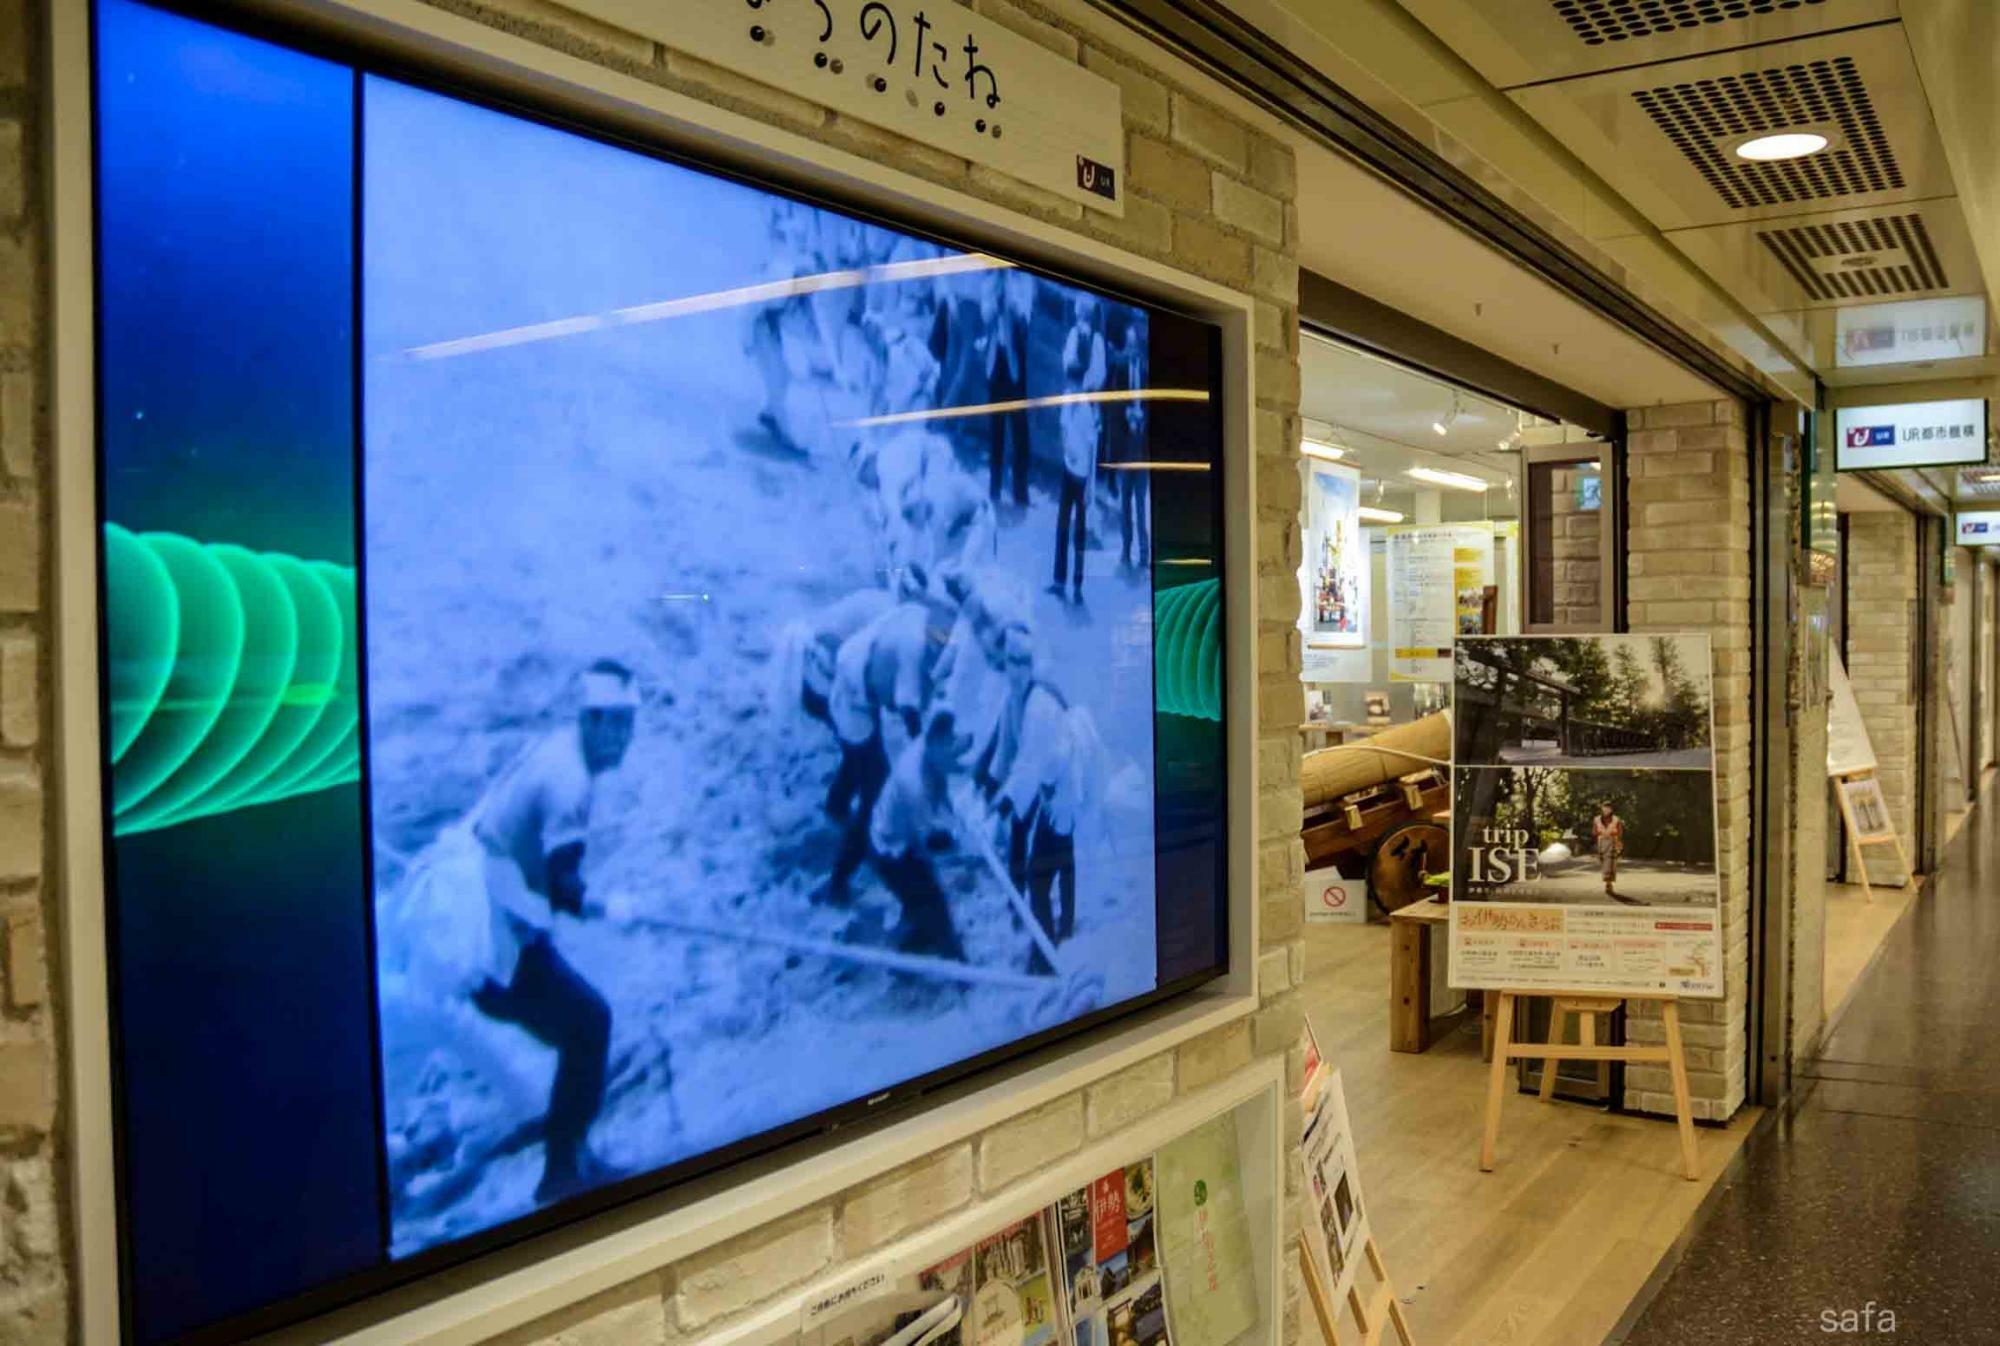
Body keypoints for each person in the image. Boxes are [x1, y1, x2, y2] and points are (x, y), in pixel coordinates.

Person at [466, 659, 636, 1205]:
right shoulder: (570, 782)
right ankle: (561, 1175)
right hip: (492, 937)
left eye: (628, 722)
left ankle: (572, 1157)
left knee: (580, 1025)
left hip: (494, 910)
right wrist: (611, 906)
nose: (623, 737)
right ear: (590, 721)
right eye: (613, 723)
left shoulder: (560, 748)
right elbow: (564, 885)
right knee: (589, 1022)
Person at [818, 596, 941, 907]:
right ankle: (839, 879)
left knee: (864, 766)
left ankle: (835, 806)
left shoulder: (920, 615)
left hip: (861, 686)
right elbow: (909, 710)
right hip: (852, 706)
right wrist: (924, 754)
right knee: (874, 794)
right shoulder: (914, 647)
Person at [865, 711, 971, 960]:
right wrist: (962, 850)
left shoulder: (929, 745)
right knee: (934, 907)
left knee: (924, 904)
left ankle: (919, 941)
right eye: (948, 749)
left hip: (902, 838)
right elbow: (929, 845)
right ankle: (958, 966)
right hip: (890, 850)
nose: (951, 755)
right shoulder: (914, 784)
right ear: (935, 743)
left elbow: (945, 775)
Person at [1052, 294, 1107, 606]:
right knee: (1063, 519)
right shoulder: (1075, 334)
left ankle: (1078, 581)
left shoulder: (1097, 342)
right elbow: (1066, 360)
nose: (1081, 316)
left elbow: (1097, 375)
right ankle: (1059, 579)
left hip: (1088, 407)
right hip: (1074, 410)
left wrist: (1085, 388)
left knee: (1081, 517)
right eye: (1079, 312)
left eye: (1084, 312)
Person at [983, 270, 1031, 507]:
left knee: (1019, 427)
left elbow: (1025, 324)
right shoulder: (990, 282)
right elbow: (986, 317)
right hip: (996, 361)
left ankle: (1020, 491)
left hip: (1015, 362)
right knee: (996, 428)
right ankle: (994, 488)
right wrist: (995, 305)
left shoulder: (1025, 282)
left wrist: (1012, 305)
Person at [1106, 322, 1151, 573]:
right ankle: (1125, 551)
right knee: (1125, 504)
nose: (1132, 350)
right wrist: (1127, 415)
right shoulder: (1120, 368)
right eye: (1129, 344)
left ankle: (1144, 556)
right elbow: (1113, 407)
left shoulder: (1145, 372)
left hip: (1142, 448)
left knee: (1140, 505)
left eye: (1136, 346)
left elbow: (1154, 409)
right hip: (1125, 448)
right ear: (1126, 345)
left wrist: (1141, 418)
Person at [1591, 800, 1625, 898]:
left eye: (1608, 808)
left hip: (1612, 842)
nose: (1606, 810)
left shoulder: (1616, 819)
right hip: (1601, 842)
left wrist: (1618, 842)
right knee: (1604, 862)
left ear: (1611, 809)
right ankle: (1608, 883)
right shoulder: (1596, 819)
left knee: (1610, 864)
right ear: (1602, 809)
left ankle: (1608, 884)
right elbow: (1594, 832)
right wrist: (1599, 834)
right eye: (1604, 808)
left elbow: (1620, 832)